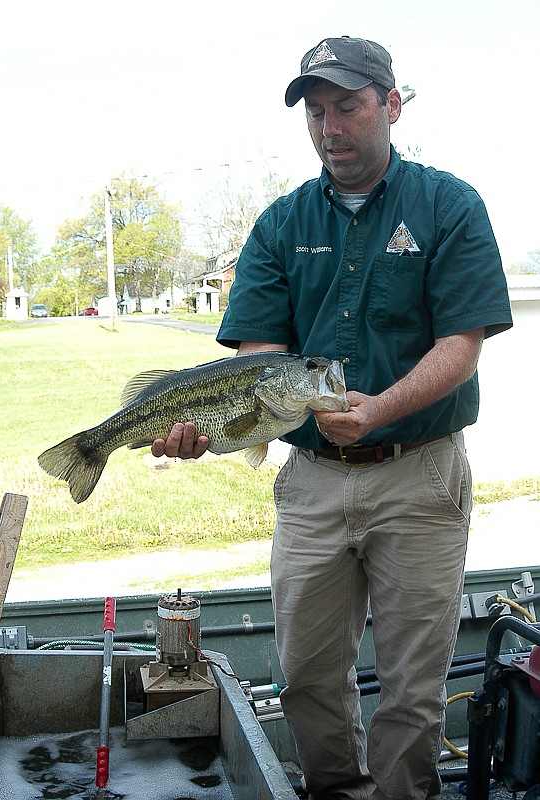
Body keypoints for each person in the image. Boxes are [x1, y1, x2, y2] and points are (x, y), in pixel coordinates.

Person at [152, 36, 513, 800]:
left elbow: (461, 343)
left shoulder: (448, 205)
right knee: (309, 678)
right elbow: (258, 360)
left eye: (346, 107)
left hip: (419, 476)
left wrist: (380, 407)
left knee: (414, 689)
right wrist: (214, 430)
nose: (329, 128)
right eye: (315, 113)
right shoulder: (280, 224)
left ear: (390, 104)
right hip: (312, 480)